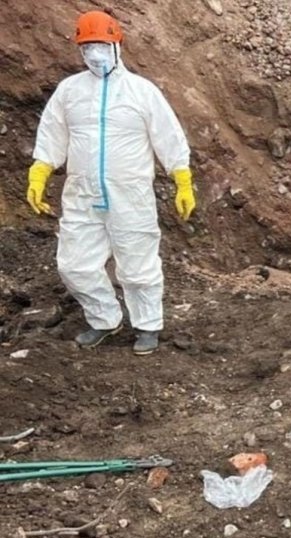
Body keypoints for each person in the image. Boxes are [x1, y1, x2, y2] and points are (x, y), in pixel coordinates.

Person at [26, 10, 193, 355]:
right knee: (74, 264)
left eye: (101, 44)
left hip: (129, 194)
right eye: (87, 47)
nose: (95, 53)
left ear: (117, 44)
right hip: (82, 194)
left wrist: (182, 178)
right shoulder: (69, 91)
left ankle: (146, 325)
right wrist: (40, 172)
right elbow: (52, 134)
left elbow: (168, 135)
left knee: (137, 265)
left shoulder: (142, 92)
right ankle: (104, 319)